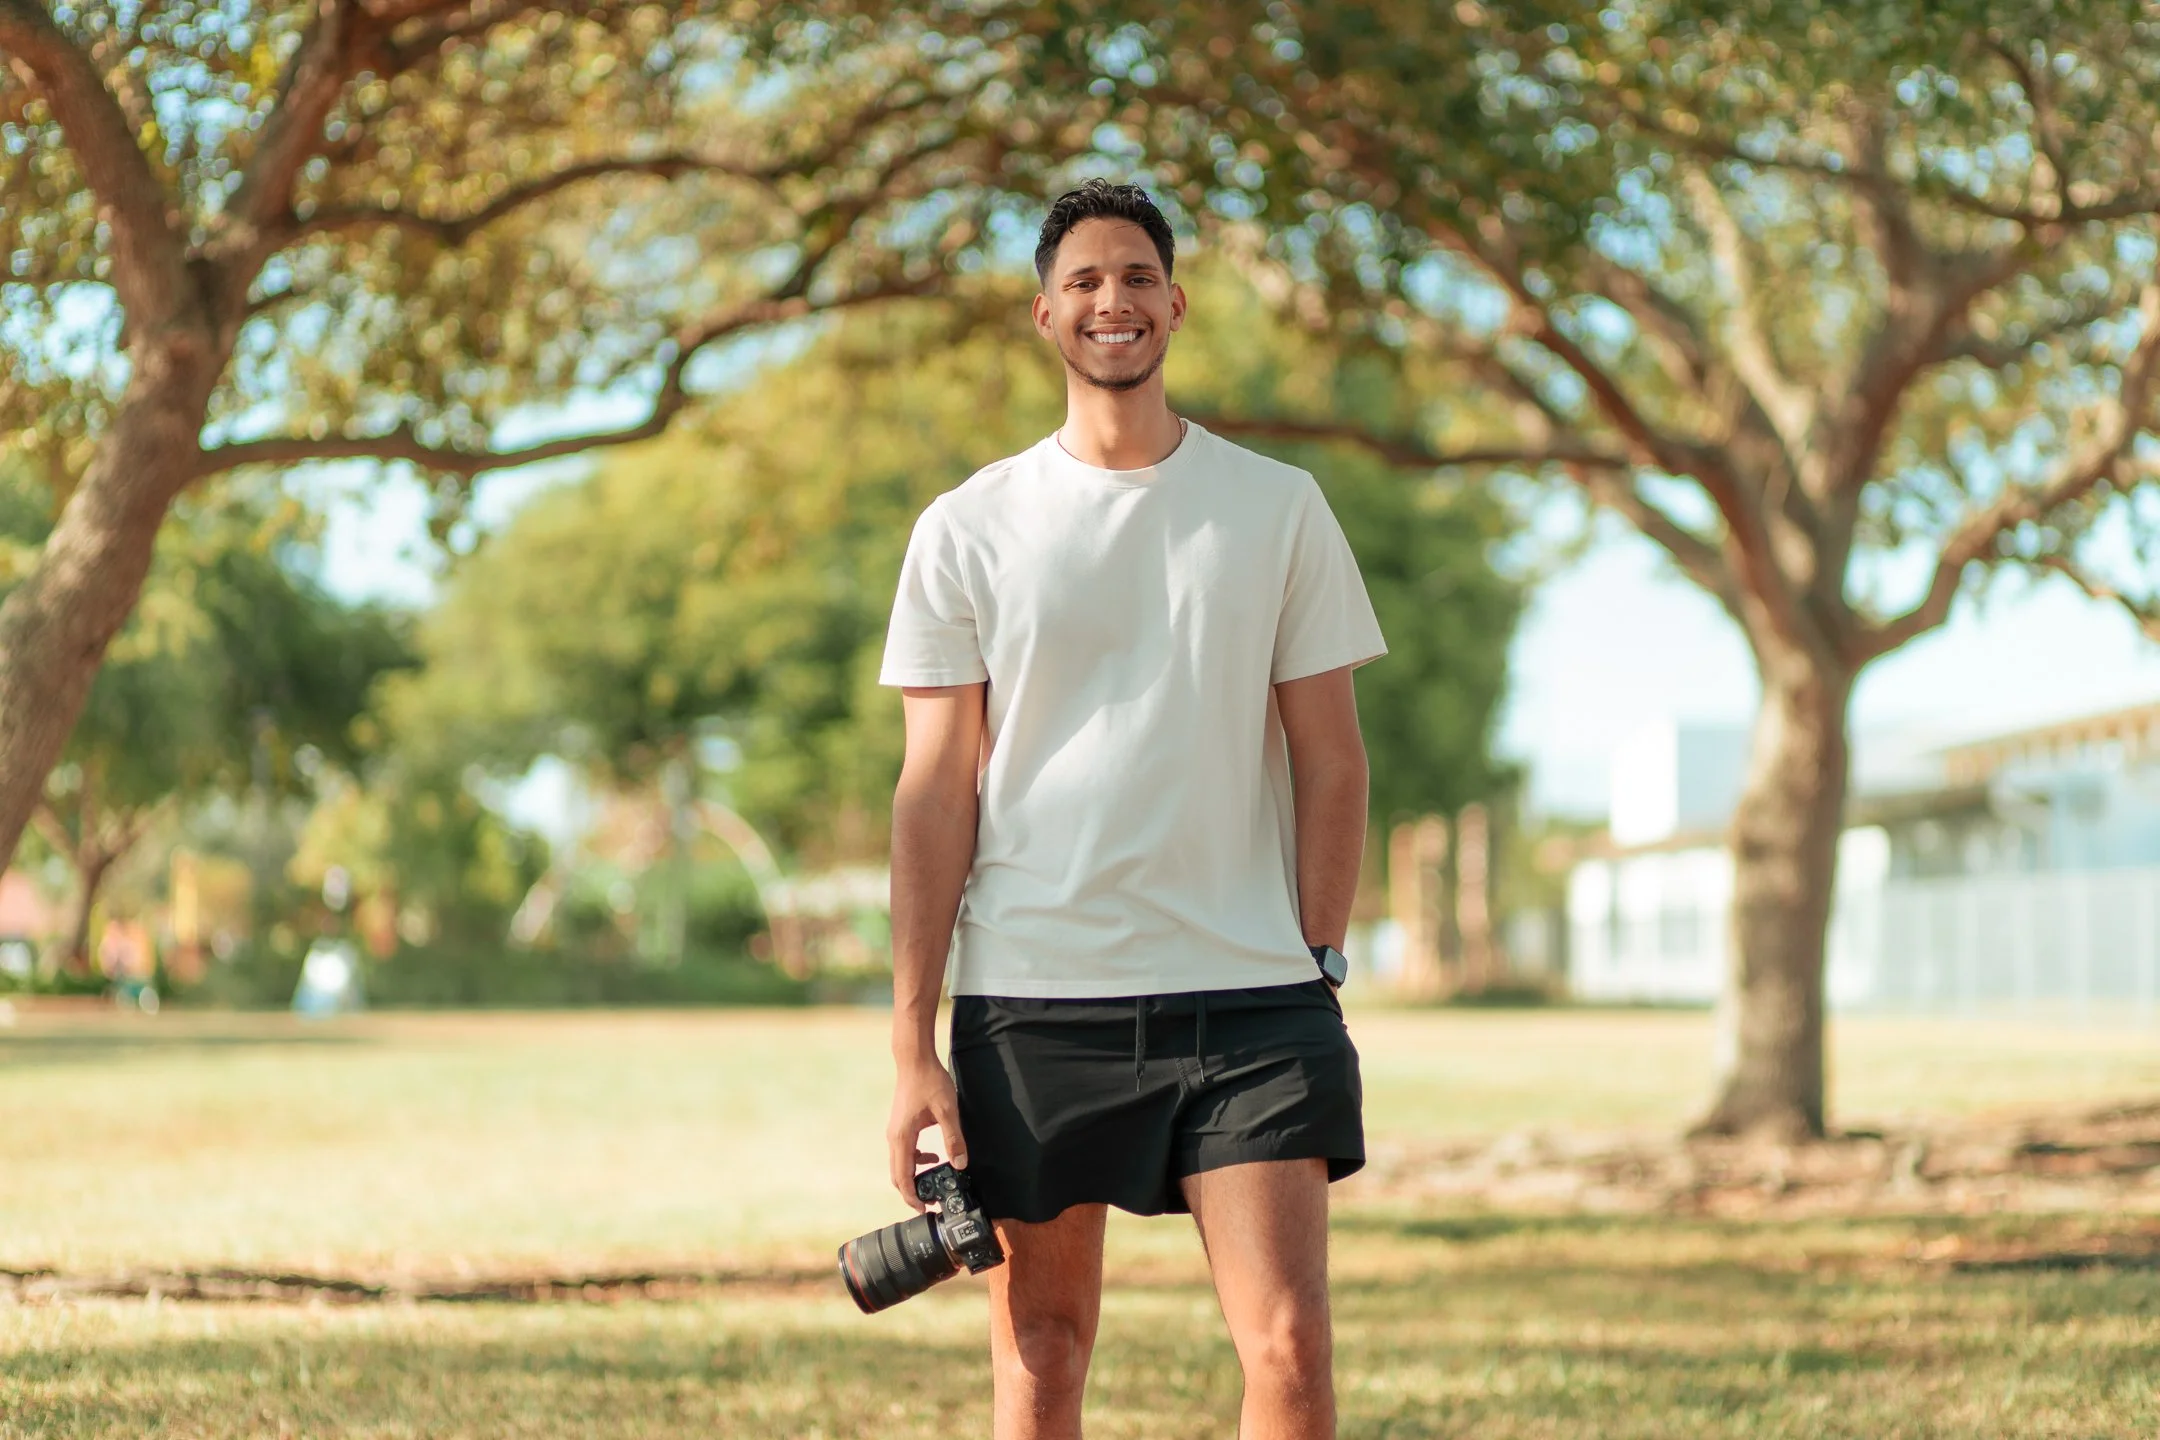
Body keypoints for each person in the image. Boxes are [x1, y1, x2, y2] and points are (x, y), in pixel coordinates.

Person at [879, 179, 1386, 1440]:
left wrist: (1314, 954)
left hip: (1253, 1001)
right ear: (1045, 315)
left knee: (1288, 1347)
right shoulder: (966, 528)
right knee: (1042, 1354)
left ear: (1177, 305)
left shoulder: (1278, 508)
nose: (1117, 301)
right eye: (1089, 282)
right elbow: (936, 789)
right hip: (1037, 1000)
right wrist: (910, 1046)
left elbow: (1331, 758)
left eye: (1140, 278)